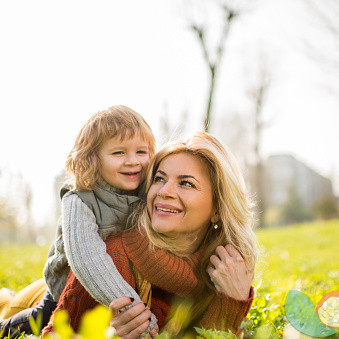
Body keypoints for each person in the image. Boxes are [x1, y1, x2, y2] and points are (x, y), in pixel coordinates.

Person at [0, 105, 159, 337]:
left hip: (120, 290)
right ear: (93, 158)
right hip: (68, 288)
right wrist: (133, 310)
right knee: (41, 318)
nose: (133, 161)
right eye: (119, 153)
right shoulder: (79, 199)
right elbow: (88, 260)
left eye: (141, 152)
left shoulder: (150, 192)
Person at [42, 132, 258, 338]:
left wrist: (233, 301)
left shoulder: (227, 270)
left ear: (218, 209)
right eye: (160, 179)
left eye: (186, 183)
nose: (163, 191)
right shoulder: (110, 259)